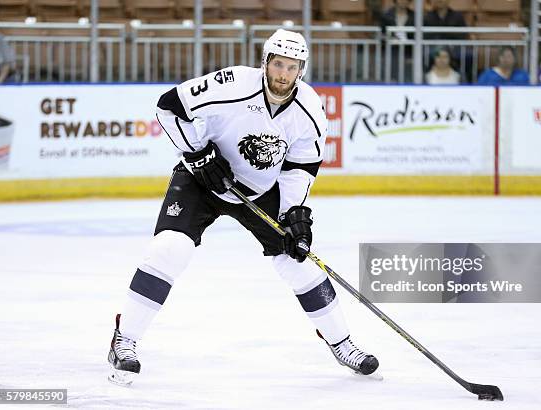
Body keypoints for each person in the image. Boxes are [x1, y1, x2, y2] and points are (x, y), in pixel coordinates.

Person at [106, 29, 379, 386]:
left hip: (261, 189)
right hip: (201, 180)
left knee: (297, 259)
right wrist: (198, 153)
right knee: (170, 248)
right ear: (265, 62)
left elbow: (301, 166)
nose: (283, 74)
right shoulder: (232, 83)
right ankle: (124, 339)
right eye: (277, 64)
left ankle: (342, 343)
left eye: (292, 67)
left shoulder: (310, 108)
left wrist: (293, 213)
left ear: (302, 70)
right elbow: (169, 106)